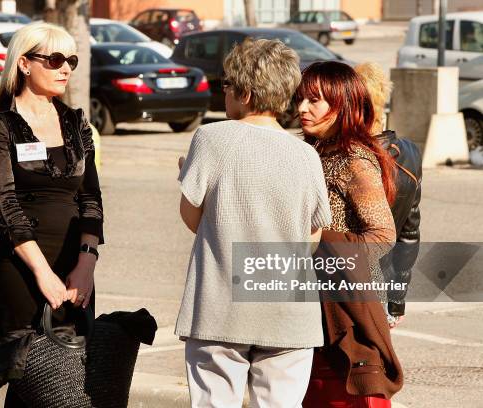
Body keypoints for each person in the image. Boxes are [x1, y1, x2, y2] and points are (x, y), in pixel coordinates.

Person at [176, 38, 332, 408]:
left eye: (227, 85)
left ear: (244, 92)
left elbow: (192, 217)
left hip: (220, 304)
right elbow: (313, 234)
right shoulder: (306, 154)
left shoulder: (211, 138)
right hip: (290, 309)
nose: (224, 92)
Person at [0, 22, 103, 406]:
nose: (66, 68)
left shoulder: (76, 121)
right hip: (22, 270)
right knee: (28, 376)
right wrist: (42, 273)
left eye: (72, 60)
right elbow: (6, 206)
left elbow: (91, 200)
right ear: (25, 64)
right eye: (56, 59)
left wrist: (86, 264)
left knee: (71, 377)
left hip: (75, 266)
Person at [296, 61, 403, 407]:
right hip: (310, 307)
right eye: (300, 99)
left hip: (346, 311)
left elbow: (382, 236)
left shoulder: (353, 158)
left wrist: (321, 240)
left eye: (314, 100)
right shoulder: (311, 152)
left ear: (341, 103)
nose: (302, 108)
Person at [355, 62, 422, 326]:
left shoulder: (345, 156)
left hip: (343, 286)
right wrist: (396, 298)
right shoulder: (409, 153)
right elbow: (409, 233)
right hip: (383, 287)